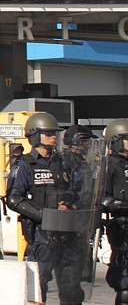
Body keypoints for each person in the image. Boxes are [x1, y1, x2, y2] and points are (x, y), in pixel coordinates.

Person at [6, 112, 90, 305]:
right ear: (35, 135)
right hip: (41, 236)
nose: (54, 136)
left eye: (55, 133)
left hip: (67, 234)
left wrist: (69, 203)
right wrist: (44, 214)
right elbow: (13, 198)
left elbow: (78, 190)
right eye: (49, 133)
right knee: (38, 287)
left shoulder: (64, 162)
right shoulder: (25, 165)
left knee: (72, 290)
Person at [101, 119, 128, 304]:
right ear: (117, 140)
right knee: (125, 283)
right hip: (121, 226)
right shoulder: (109, 165)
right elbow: (103, 198)